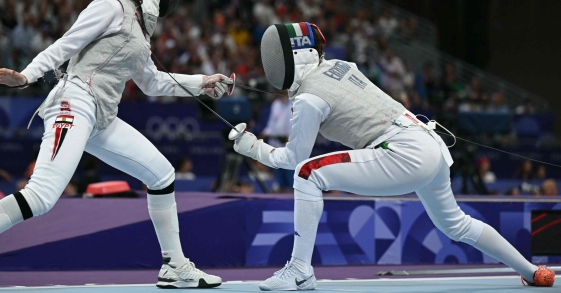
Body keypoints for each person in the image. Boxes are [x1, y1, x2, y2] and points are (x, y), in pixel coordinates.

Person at [0, 0, 229, 292]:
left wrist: (201, 83)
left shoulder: (141, 28)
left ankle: (174, 266)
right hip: (75, 103)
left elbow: (151, 81)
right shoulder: (112, 6)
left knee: (162, 174)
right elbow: (66, 44)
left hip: (102, 117)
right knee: (41, 196)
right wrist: (26, 76)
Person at [228, 22, 555, 290]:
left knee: (307, 172)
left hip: (403, 151)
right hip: (430, 144)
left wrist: (252, 147)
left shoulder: (309, 97)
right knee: (455, 224)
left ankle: (299, 269)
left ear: (293, 56)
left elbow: (293, 159)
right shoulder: (341, 66)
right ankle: (530, 271)